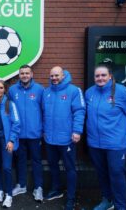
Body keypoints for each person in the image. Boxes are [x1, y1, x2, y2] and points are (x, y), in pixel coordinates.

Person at [85, 64, 126, 210]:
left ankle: (120, 206)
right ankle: (107, 200)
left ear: (110, 76)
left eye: (103, 75)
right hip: (95, 143)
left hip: (115, 144)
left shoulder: (122, 91)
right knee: (102, 174)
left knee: (116, 175)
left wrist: (123, 129)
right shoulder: (89, 92)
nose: (100, 78)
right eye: (97, 76)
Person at [42, 66, 86, 210]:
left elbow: (79, 111)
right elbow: (43, 114)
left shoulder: (74, 91)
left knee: (70, 168)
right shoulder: (46, 92)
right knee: (53, 165)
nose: (54, 78)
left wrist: (77, 131)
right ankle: (57, 189)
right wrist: (44, 131)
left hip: (67, 138)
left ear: (63, 75)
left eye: (57, 75)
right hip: (49, 139)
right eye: (52, 76)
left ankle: (71, 198)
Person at [8, 64, 44, 201]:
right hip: (18, 134)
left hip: (35, 134)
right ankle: (21, 185)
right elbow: (8, 110)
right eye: (22, 73)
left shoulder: (40, 90)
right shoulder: (12, 90)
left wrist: (42, 129)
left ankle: (38, 188)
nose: (24, 75)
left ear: (32, 74)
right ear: (19, 75)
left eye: (27, 73)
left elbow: (44, 110)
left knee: (36, 161)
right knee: (20, 161)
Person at [0, 80, 20, 208]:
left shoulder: (10, 104)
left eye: (1, 87)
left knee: (6, 168)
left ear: (4, 89)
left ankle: (9, 195)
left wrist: (11, 140)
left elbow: (17, 123)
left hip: (5, 141)